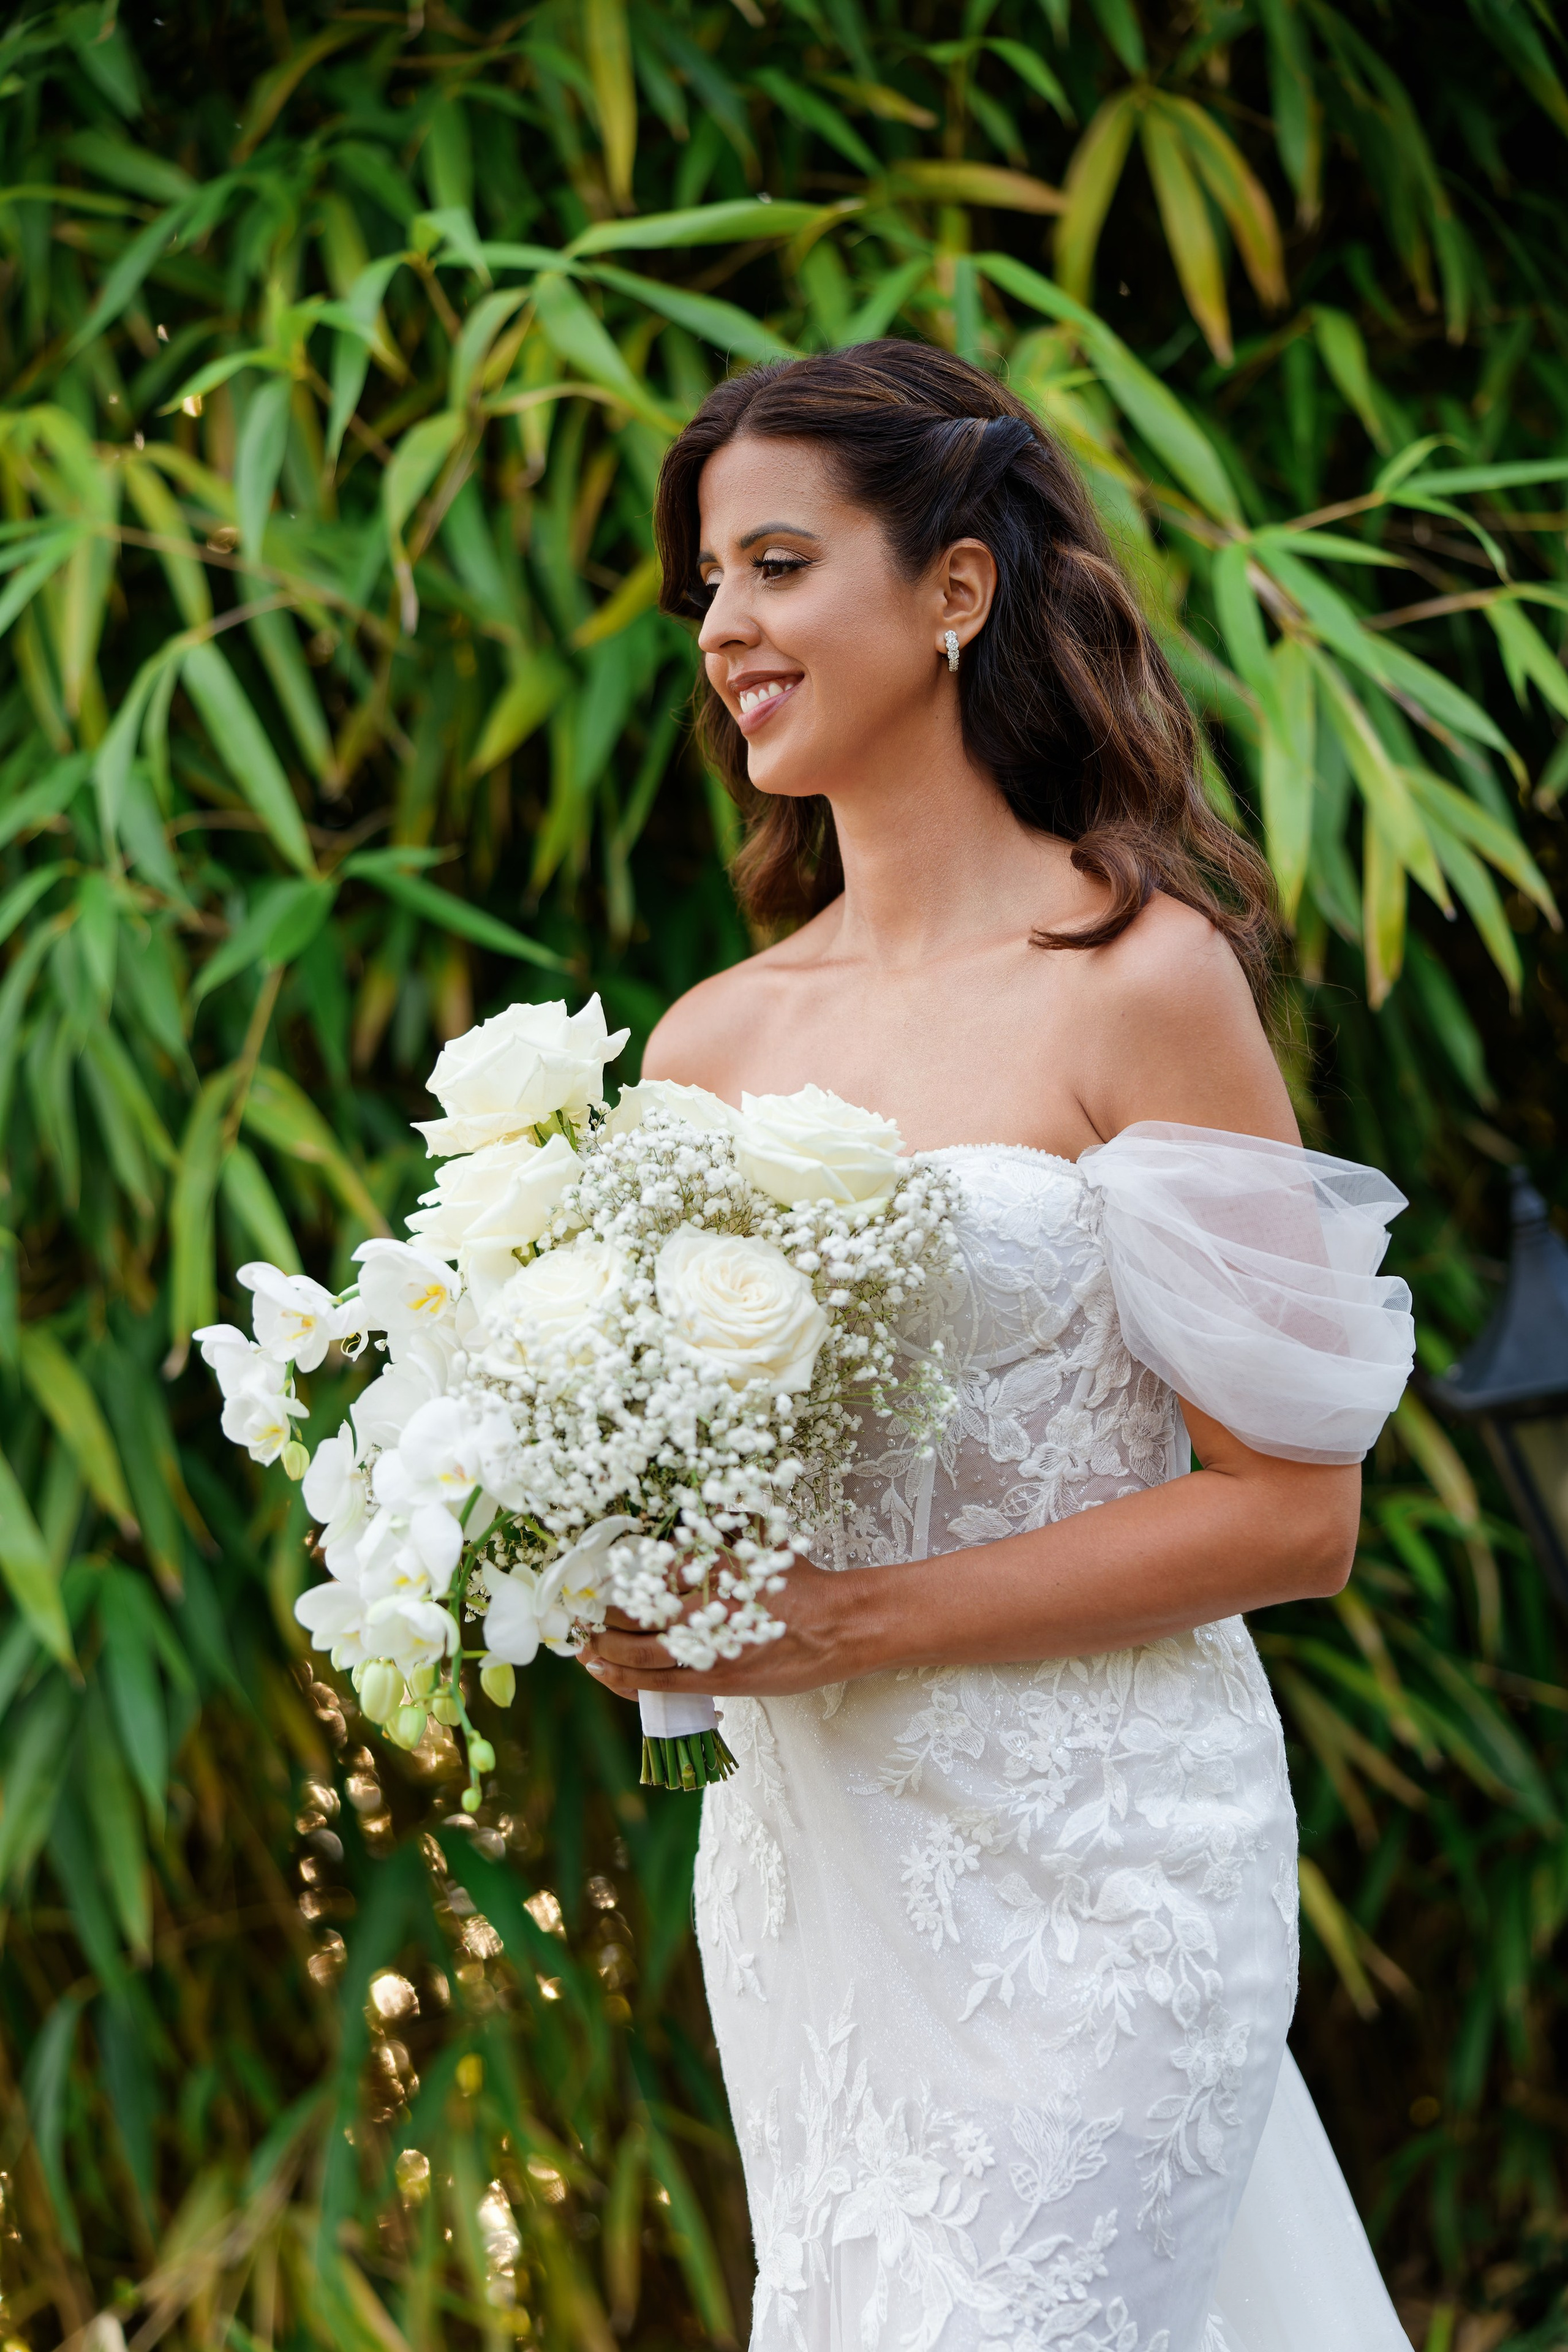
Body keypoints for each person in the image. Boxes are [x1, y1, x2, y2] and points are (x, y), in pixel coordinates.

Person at [579, 342, 1415, 2352]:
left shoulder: (1139, 977)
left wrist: (858, 1618)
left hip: (1107, 1875)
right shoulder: (704, 1047)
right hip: (820, 1885)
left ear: (954, 591)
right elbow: (668, 1473)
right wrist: (600, 1568)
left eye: (778, 564)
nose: (727, 628)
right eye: (708, 583)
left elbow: (1295, 1518)